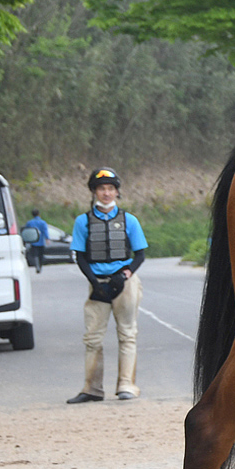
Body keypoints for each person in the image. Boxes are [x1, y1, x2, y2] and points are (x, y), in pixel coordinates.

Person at [67, 168, 148, 403]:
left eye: (111, 189)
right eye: (102, 189)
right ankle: (91, 388)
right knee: (92, 337)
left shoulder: (129, 220)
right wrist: (94, 282)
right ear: (94, 192)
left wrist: (125, 275)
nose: (106, 193)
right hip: (98, 284)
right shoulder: (83, 222)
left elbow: (140, 254)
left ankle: (127, 385)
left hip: (124, 282)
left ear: (116, 192)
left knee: (127, 333)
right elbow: (80, 256)